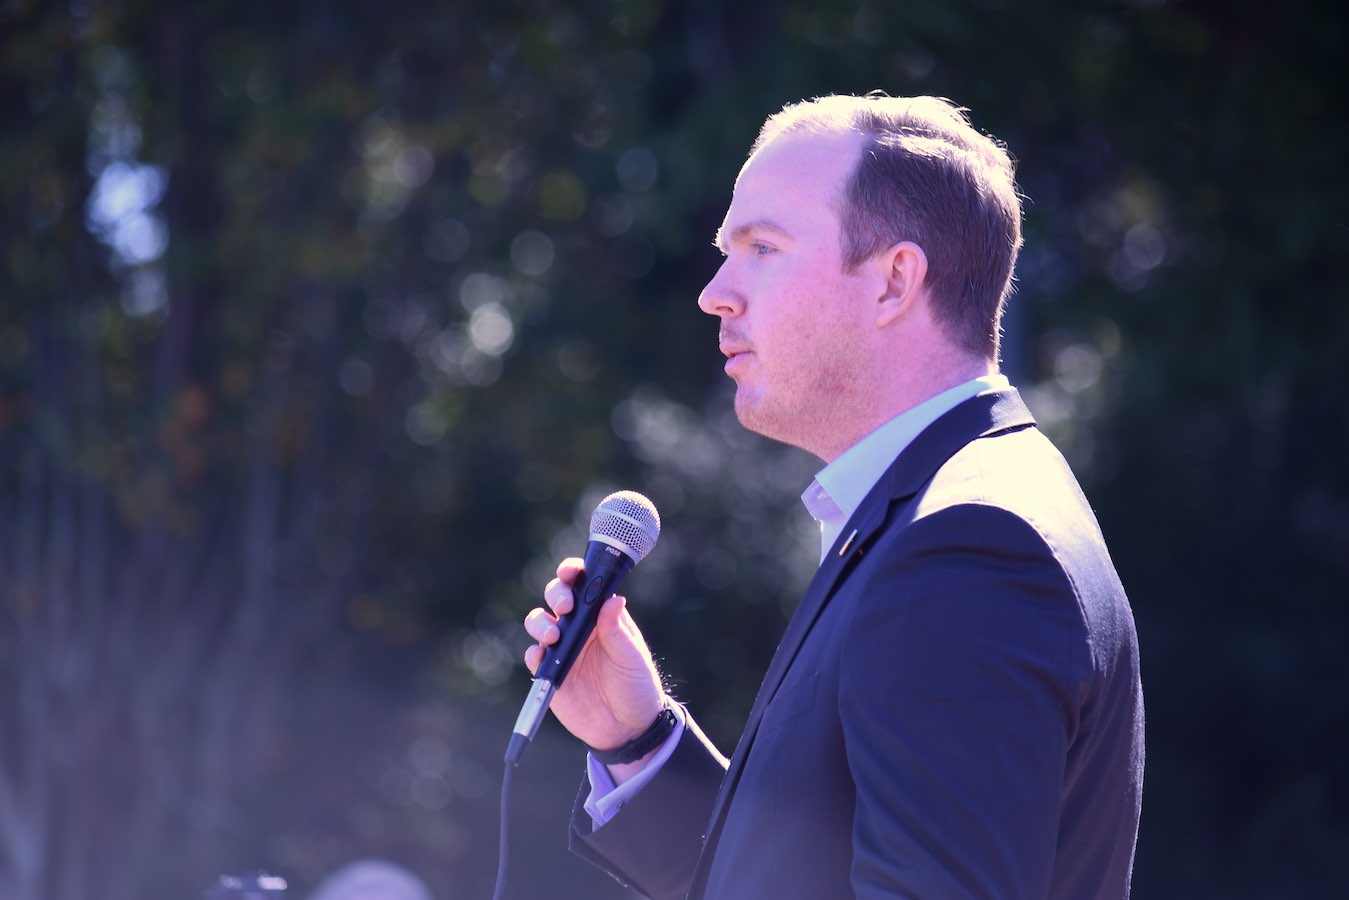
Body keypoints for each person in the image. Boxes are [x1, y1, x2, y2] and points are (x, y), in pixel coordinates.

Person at [522, 93, 1144, 900]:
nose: (715, 293)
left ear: (893, 282)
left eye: (761, 248)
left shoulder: (967, 548)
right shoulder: (950, 514)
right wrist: (639, 746)